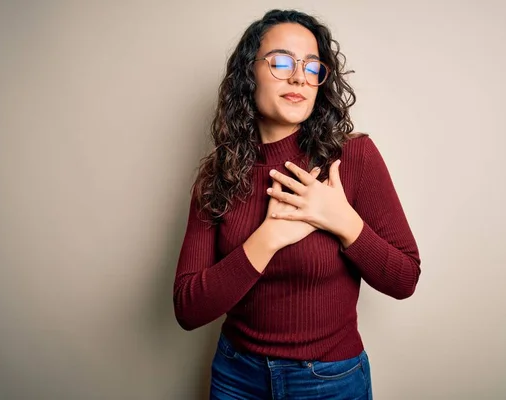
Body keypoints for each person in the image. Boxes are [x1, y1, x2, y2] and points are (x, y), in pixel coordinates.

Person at [173, 9, 421, 400]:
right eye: (281, 62)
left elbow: (405, 278)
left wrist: (343, 221)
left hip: (329, 381)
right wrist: (267, 238)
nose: (297, 77)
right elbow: (188, 309)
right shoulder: (217, 175)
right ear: (248, 73)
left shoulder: (353, 157)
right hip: (237, 377)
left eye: (311, 66)